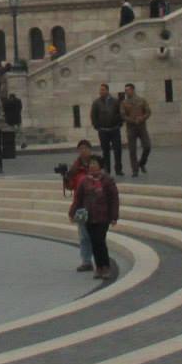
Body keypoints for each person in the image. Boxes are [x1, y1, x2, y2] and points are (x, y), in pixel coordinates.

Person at [71, 156, 121, 282]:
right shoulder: (85, 181)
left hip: (103, 217)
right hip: (89, 217)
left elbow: (114, 199)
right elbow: (78, 198)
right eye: (91, 163)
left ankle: (106, 266)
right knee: (93, 242)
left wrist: (114, 216)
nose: (92, 166)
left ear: (100, 165)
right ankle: (99, 267)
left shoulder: (107, 180)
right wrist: (72, 213)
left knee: (100, 241)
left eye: (94, 163)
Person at [61, 140, 100, 271]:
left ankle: (100, 261)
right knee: (83, 235)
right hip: (81, 206)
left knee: (96, 235)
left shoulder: (96, 163)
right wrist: (65, 178)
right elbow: (71, 186)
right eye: (80, 148)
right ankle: (86, 261)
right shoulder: (75, 167)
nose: (83, 151)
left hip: (96, 205)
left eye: (85, 148)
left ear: (90, 149)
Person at [90, 82, 124, 175]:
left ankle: (118, 169)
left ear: (107, 91)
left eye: (103, 90)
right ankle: (107, 169)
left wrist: (119, 123)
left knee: (117, 150)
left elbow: (121, 113)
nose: (101, 91)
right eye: (100, 90)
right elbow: (93, 115)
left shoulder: (115, 101)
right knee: (105, 151)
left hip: (115, 130)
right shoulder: (96, 103)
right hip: (103, 131)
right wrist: (97, 126)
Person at [120, 83, 152, 177]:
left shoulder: (142, 100)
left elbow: (148, 112)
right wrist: (132, 120)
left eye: (128, 90)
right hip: (131, 128)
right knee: (132, 150)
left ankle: (142, 163)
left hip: (142, 127)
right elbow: (123, 115)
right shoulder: (124, 103)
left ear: (133, 90)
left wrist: (142, 118)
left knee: (147, 146)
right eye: (125, 90)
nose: (126, 92)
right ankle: (135, 170)